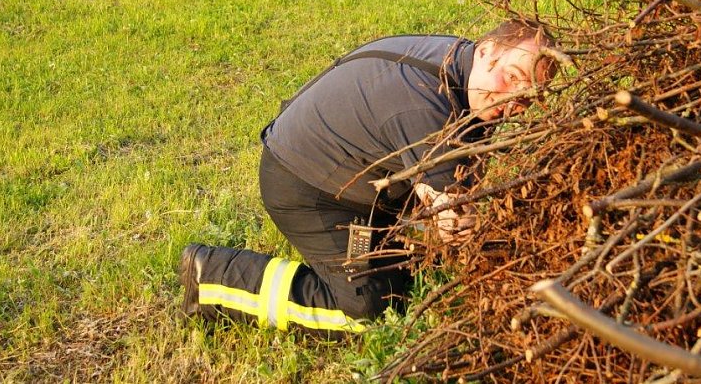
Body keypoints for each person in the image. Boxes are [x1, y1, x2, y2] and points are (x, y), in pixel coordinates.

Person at [179, 20, 556, 335]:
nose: (513, 104)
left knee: (405, 278)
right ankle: (213, 277)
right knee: (368, 310)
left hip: (352, 173)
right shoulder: (426, 106)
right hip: (309, 189)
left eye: (528, 97)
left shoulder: (458, 63)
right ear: (488, 49)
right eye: (512, 77)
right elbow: (457, 226)